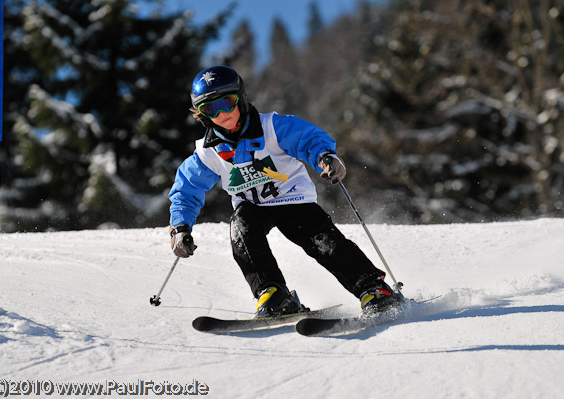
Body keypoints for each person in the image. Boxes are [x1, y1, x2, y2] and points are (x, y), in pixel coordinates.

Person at [168, 65, 400, 318]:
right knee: (242, 229)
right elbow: (187, 188)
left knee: (322, 241)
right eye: (210, 108)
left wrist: (326, 157)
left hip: (293, 198)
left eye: (227, 102)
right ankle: (273, 294)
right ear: (201, 114)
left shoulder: (273, 127)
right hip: (252, 206)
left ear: (241, 98)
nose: (222, 113)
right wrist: (180, 227)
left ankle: (373, 289)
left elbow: (308, 139)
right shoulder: (207, 151)